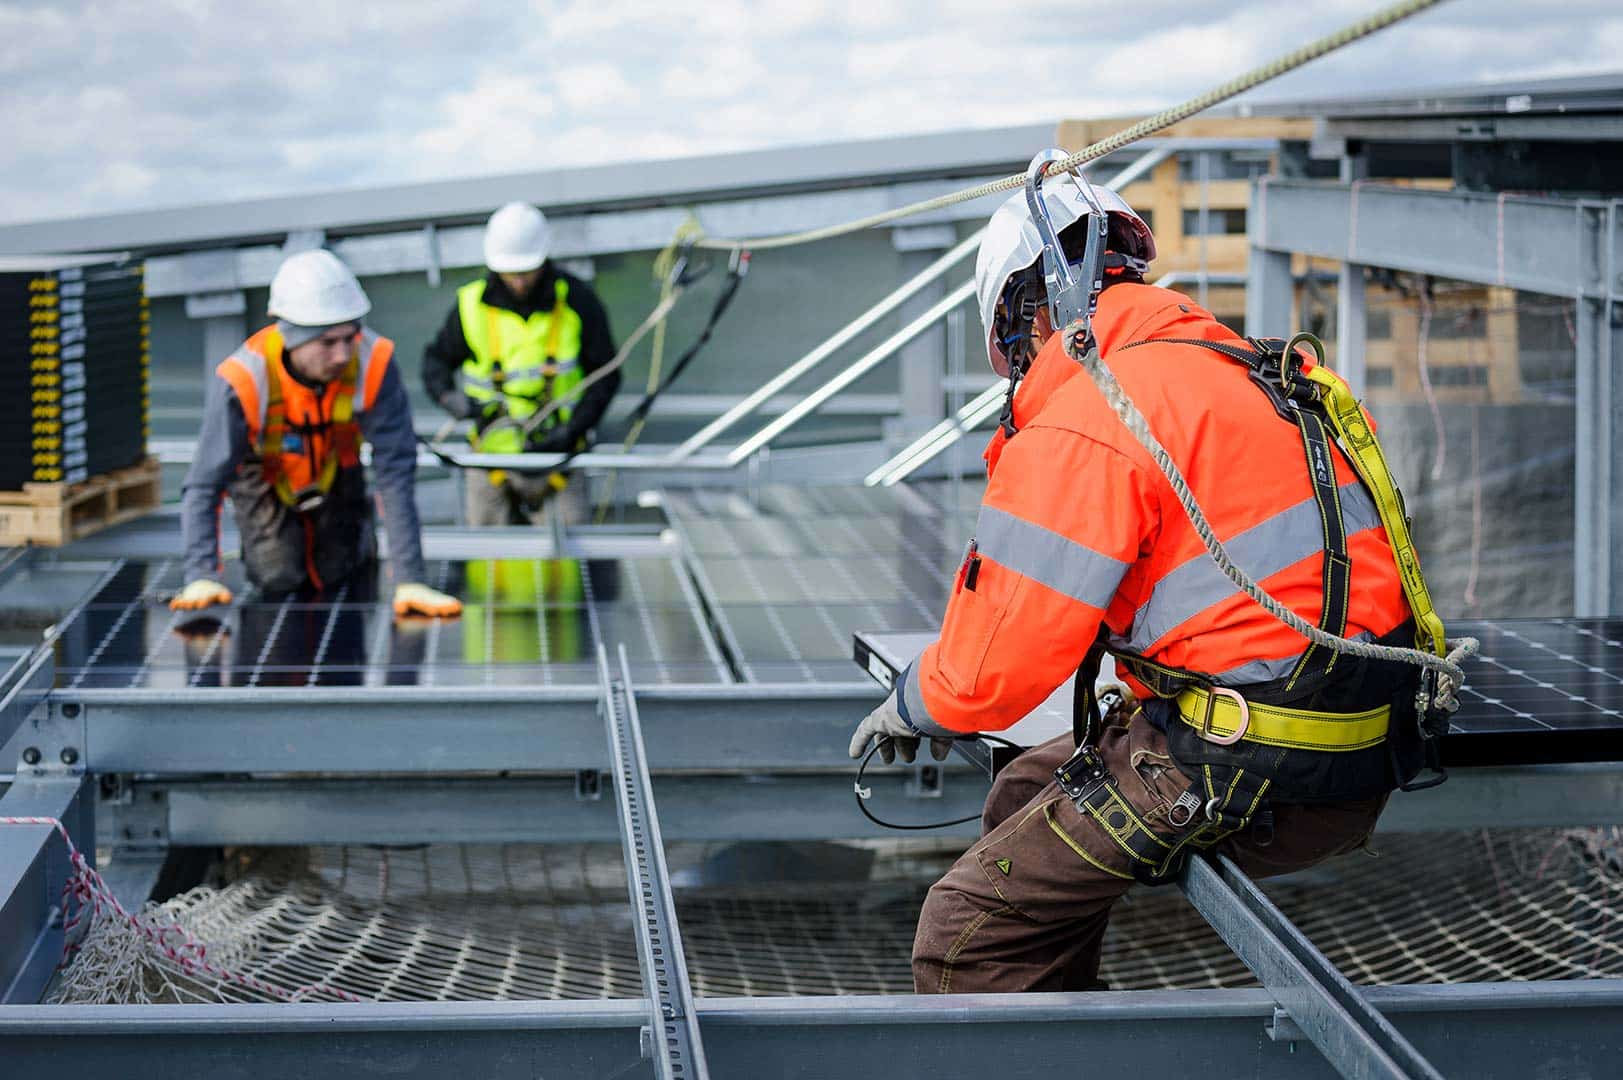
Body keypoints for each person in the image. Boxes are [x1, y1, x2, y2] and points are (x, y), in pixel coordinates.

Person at [848, 160, 1446, 995]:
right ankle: (1063, 1013)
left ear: (1031, 308)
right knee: (1023, 788)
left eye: (1012, 346)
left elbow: (997, 665)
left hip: (1245, 764)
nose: (1019, 371)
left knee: (966, 936)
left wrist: (917, 698)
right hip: (1354, 741)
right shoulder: (1249, 368)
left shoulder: (1095, 410)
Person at [172, 250, 461, 620]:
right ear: (292, 339)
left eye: (350, 336)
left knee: (348, 568)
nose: (343, 354)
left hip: (337, 469)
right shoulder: (243, 379)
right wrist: (201, 575)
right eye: (327, 342)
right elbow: (204, 484)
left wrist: (410, 579)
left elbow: (395, 472)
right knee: (279, 572)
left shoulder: (374, 362)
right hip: (267, 477)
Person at [422, 201, 619, 527]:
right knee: (490, 561)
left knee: (569, 561)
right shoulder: (470, 306)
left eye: (526, 271)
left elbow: (606, 375)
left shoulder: (575, 300)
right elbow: (436, 361)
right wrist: (448, 398)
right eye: (511, 272)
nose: (519, 281)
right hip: (491, 460)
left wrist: (573, 429)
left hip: (562, 460)